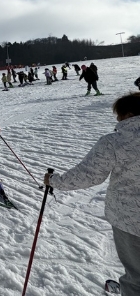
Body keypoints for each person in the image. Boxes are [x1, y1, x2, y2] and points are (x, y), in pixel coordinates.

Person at [44, 93, 140, 296]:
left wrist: (53, 181)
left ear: (129, 114)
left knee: (137, 276)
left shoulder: (114, 141)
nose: (117, 120)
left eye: (120, 115)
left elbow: (88, 175)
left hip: (132, 220)